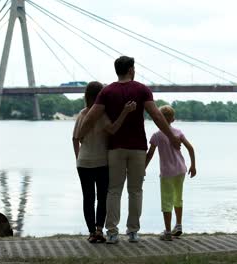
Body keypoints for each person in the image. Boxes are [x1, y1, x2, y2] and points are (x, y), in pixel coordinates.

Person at [78, 56, 181, 244]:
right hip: (138, 149)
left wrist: (80, 136)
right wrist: (172, 137)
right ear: (131, 70)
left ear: (117, 70)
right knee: (135, 191)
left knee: (114, 190)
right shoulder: (142, 89)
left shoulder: (107, 91)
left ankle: (112, 232)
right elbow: (157, 116)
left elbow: (90, 117)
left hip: (115, 148)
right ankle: (133, 231)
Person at [73, 81, 136, 243]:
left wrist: (77, 157)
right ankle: (100, 230)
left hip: (83, 163)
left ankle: (92, 232)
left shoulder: (81, 114)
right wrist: (125, 112)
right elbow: (114, 129)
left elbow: (75, 138)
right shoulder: (102, 115)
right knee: (102, 198)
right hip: (102, 163)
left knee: (88, 198)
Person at [145, 105, 197, 241]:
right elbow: (190, 148)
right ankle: (178, 226)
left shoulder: (157, 135)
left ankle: (168, 232)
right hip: (181, 170)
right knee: (177, 198)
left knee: (166, 201)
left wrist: (143, 167)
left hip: (167, 173)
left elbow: (150, 154)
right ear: (173, 119)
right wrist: (193, 165)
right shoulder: (178, 132)